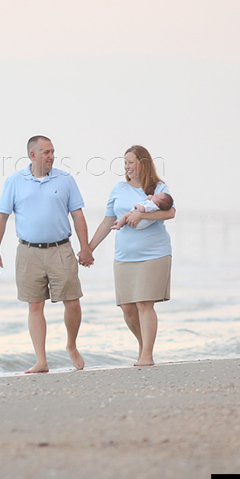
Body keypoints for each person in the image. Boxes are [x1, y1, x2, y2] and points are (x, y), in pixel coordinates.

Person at [0, 136, 94, 373]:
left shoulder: (66, 180)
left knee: (73, 302)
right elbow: (2, 217)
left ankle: (71, 344)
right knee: (35, 305)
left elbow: (78, 216)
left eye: (53, 152)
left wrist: (85, 247)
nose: (51, 156)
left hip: (61, 249)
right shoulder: (14, 182)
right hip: (28, 252)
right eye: (46, 152)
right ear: (32, 155)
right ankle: (41, 360)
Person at [89, 145, 175, 367]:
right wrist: (89, 248)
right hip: (124, 256)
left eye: (130, 162)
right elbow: (108, 221)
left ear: (143, 163)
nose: (126, 167)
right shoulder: (118, 189)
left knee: (144, 304)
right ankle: (142, 345)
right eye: (125, 163)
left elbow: (171, 211)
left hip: (154, 254)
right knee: (127, 308)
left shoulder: (158, 187)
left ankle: (147, 354)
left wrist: (141, 213)